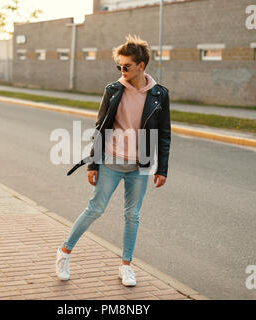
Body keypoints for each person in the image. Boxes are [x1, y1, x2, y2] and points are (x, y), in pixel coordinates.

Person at [57, 34, 171, 286]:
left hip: (140, 165)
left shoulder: (160, 95)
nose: (122, 70)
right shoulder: (113, 90)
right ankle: (64, 253)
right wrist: (93, 163)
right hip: (110, 161)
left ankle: (126, 266)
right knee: (95, 209)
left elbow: (164, 134)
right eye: (119, 66)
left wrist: (162, 168)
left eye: (126, 66)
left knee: (133, 215)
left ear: (141, 66)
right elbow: (101, 128)